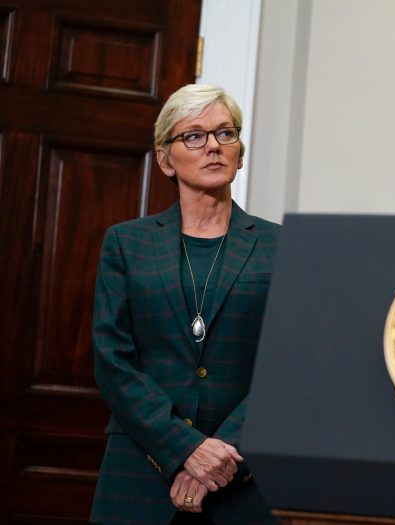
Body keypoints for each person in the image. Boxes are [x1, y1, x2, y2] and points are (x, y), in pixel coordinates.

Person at [90, 84, 281, 525]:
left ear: (240, 152)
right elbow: (112, 361)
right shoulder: (127, 243)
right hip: (139, 473)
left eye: (225, 133)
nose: (213, 145)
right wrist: (185, 449)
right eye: (193, 136)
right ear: (164, 159)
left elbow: (288, 364)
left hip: (243, 479)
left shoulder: (281, 246)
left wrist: (220, 455)